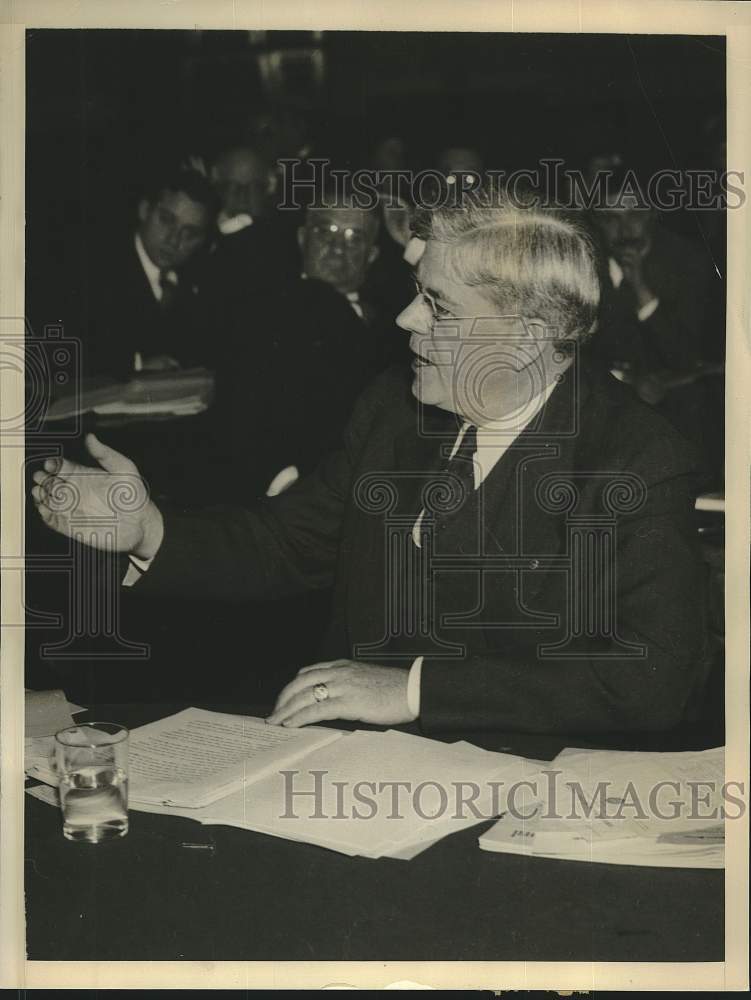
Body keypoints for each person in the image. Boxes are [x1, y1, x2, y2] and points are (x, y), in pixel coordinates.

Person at [32, 188, 708, 738]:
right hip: (351, 777)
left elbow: (648, 680)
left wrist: (413, 690)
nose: (406, 319)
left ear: (526, 339)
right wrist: (149, 529)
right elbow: (287, 541)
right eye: (418, 292)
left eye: (438, 306)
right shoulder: (395, 408)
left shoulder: (635, 459)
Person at [79, 167, 218, 378]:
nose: (174, 240)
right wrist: (137, 365)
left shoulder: (198, 282)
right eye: (167, 220)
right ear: (144, 210)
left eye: (190, 233)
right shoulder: (93, 270)